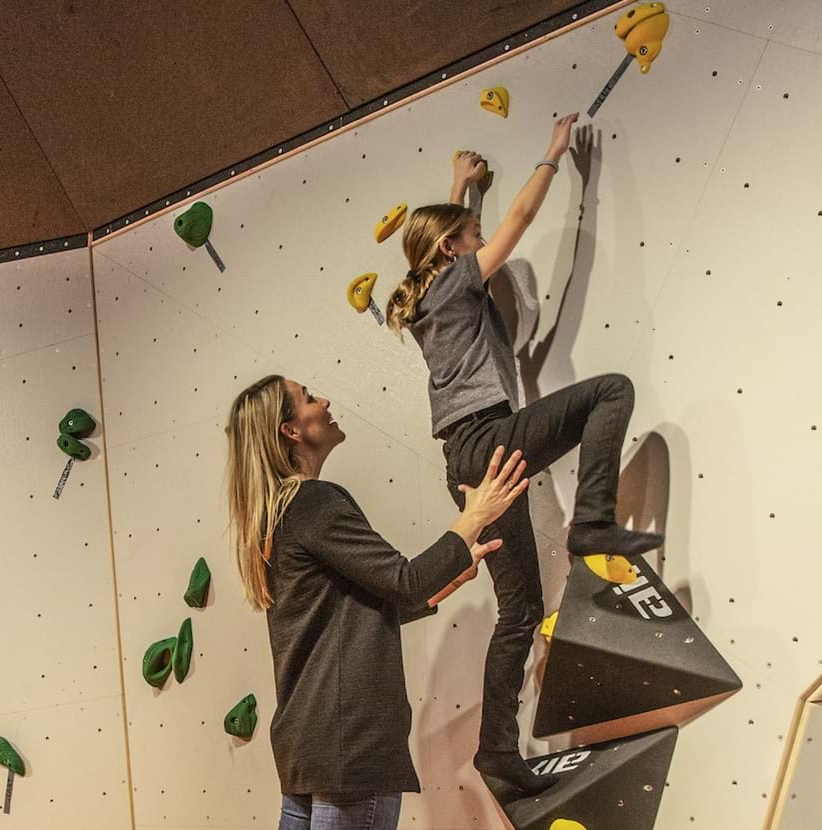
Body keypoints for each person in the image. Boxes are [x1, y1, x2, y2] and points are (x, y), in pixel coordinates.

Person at [382, 113, 663, 796]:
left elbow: (454, 234)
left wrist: (459, 184)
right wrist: (553, 156)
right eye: (470, 239)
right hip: (488, 439)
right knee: (611, 393)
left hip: (466, 465)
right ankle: (592, 524)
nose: (485, 246)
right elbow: (518, 219)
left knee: (518, 615)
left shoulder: (427, 297)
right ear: (453, 250)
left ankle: (497, 754)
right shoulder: (453, 281)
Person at [225, 375, 532, 830]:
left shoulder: (276, 520)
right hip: (350, 747)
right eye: (308, 397)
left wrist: (445, 581)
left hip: (306, 748)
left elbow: (353, 608)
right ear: (291, 430)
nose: (324, 399)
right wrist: (476, 515)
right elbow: (404, 580)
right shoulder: (313, 502)